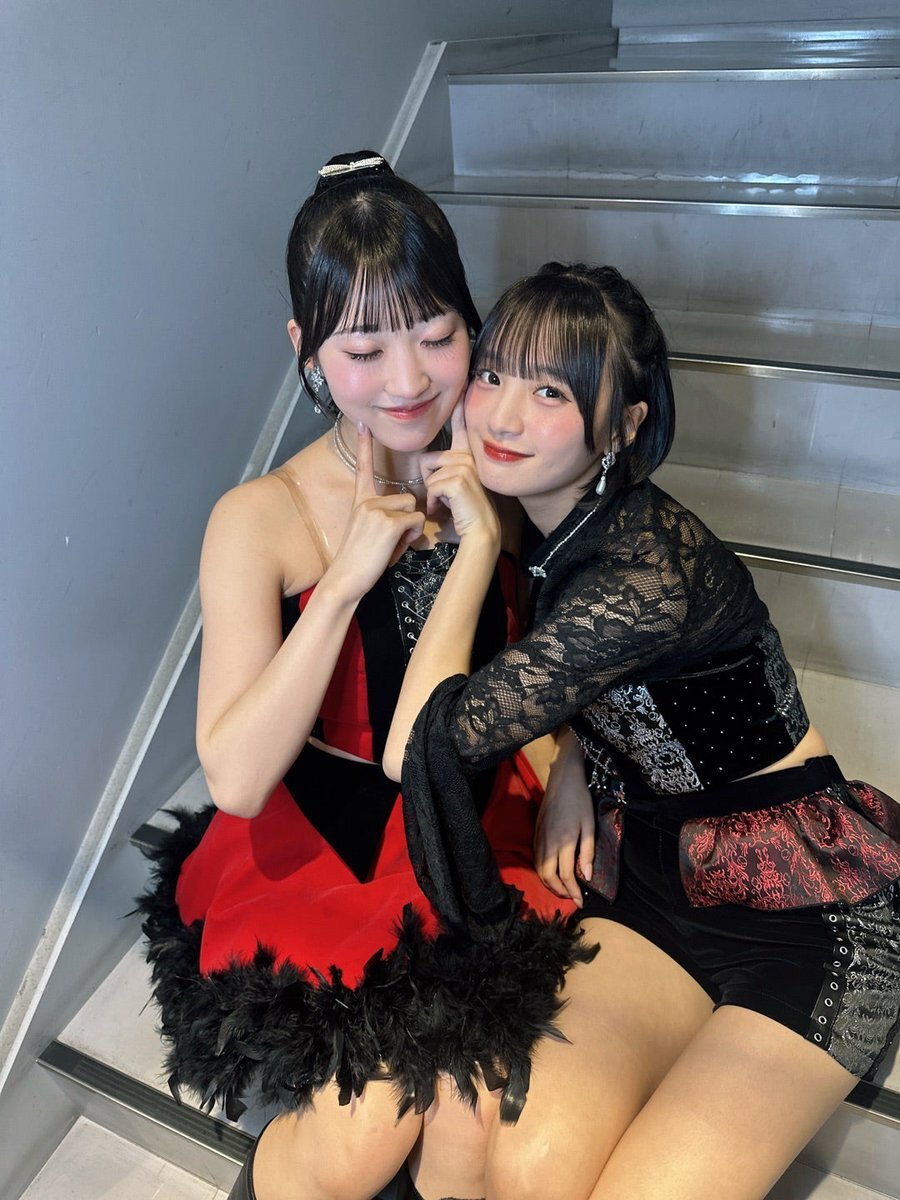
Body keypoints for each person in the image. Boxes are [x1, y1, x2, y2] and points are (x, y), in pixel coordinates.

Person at [384, 262, 900, 1200]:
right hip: (654, 878)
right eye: (493, 374)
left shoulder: (643, 572)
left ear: (624, 424)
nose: (502, 416)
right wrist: (578, 756)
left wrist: (476, 547)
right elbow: (591, 689)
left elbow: (427, 744)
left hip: (807, 911)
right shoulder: (550, 521)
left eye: (551, 392)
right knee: (527, 1168)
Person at [138, 160, 593, 1200]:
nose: (408, 380)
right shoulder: (259, 517)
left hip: (472, 825)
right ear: (305, 351)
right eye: (363, 349)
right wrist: (343, 582)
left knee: (476, 1114)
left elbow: (582, 639)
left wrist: (575, 757)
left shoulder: (506, 463)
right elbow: (237, 777)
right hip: (322, 851)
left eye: (437, 335)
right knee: (372, 1127)